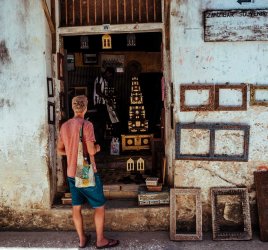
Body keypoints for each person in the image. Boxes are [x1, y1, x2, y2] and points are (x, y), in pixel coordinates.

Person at [57, 95, 119, 249]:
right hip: (84, 171)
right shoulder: (87, 125)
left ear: (73, 107)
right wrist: (98, 147)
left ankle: (82, 239)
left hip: (71, 173)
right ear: (85, 108)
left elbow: (59, 150)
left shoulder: (64, 126)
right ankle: (100, 240)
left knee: (76, 207)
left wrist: (71, 153)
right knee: (99, 206)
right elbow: (91, 150)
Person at [93, 67, 120, 149]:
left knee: (104, 123)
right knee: (101, 124)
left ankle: (103, 143)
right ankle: (100, 143)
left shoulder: (105, 81)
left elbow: (104, 92)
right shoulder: (99, 78)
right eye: (110, 75)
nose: (110, 77)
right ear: (107, 72)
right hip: (99, 104)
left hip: (104, 104)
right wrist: (107, 98)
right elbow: (98, 91)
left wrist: (110, 96)